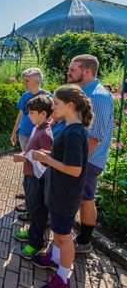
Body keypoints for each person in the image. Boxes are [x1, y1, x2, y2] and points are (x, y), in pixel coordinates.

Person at [31, 85, 93, 288]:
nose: (53, 107)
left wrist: (47, 160)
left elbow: (74, 169)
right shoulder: (71, 128)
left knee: (64, 237)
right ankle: (56, 259)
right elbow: (64, 159)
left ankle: (63, 277)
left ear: (70, 105)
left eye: (56, 104)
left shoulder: (74, 133)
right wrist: (48, 155)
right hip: (59, 191)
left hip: (65, 194)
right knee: (58, 231)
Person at [66, 55, 114, 253]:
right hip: (79, 160)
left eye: (72, 69)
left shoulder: (98, 97)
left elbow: (93, 138)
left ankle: (84, 242)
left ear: (87, 71)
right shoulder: (84, 92)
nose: (68, 73)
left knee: (86, 199)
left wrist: (73, 163)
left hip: (87, 161)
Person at [12, 95, 53, 260]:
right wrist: (24, 154)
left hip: (37, 178)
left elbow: (46, 159)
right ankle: (31, 232)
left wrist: (25, 157)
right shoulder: (37, 127)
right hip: (29, 175)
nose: (29, 116)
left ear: (43, 113)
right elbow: (31, 149)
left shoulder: (46, 133)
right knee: (31, 206)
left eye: (32, 113)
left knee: (38, 211)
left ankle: (36, 242)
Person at [11, 68, 52, 212]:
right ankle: (28, 192)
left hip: (38, 137)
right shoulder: (25, 96)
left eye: (27, 81)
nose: (24, 83)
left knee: (37, 168)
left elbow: (52, 118)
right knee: (27, 164)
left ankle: (32, 200)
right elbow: (20, 115)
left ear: (37, 81)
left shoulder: (47, 97)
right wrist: (14, 132)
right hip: (25, 134)